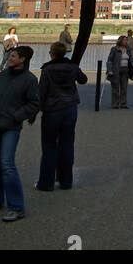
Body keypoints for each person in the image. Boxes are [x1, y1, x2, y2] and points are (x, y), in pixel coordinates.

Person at [0, 45, 39, 222]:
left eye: (13, 56)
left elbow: (34, 103)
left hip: (10, 125)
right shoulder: (3, 75)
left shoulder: (29, 79)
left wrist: (17, 116)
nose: (10, 58)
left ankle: (16, 206)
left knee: (7, 165)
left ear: (23, 59)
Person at [36, 41, 88, 191]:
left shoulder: (47, 69)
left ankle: (46, 182)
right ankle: (66, 181)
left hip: (52, 109)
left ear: (52, 53)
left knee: (49, 146)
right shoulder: (72, 67)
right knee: (67, 144)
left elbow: (42, 91)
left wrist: (35, 111)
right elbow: (83, 80)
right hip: (70, 107)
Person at [106, 35, 133, 108]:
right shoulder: (114, 49)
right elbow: (110, 60)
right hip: (116, 70)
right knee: (115, 88)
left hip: (125, 70)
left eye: (126, 40)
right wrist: (109, 70)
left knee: (124, 88)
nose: (126, 42)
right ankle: (115, 104)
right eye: (124, 40)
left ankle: (123, 103)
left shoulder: (128, 49)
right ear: (120, 41)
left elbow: (130, 59)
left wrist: (132, 68)